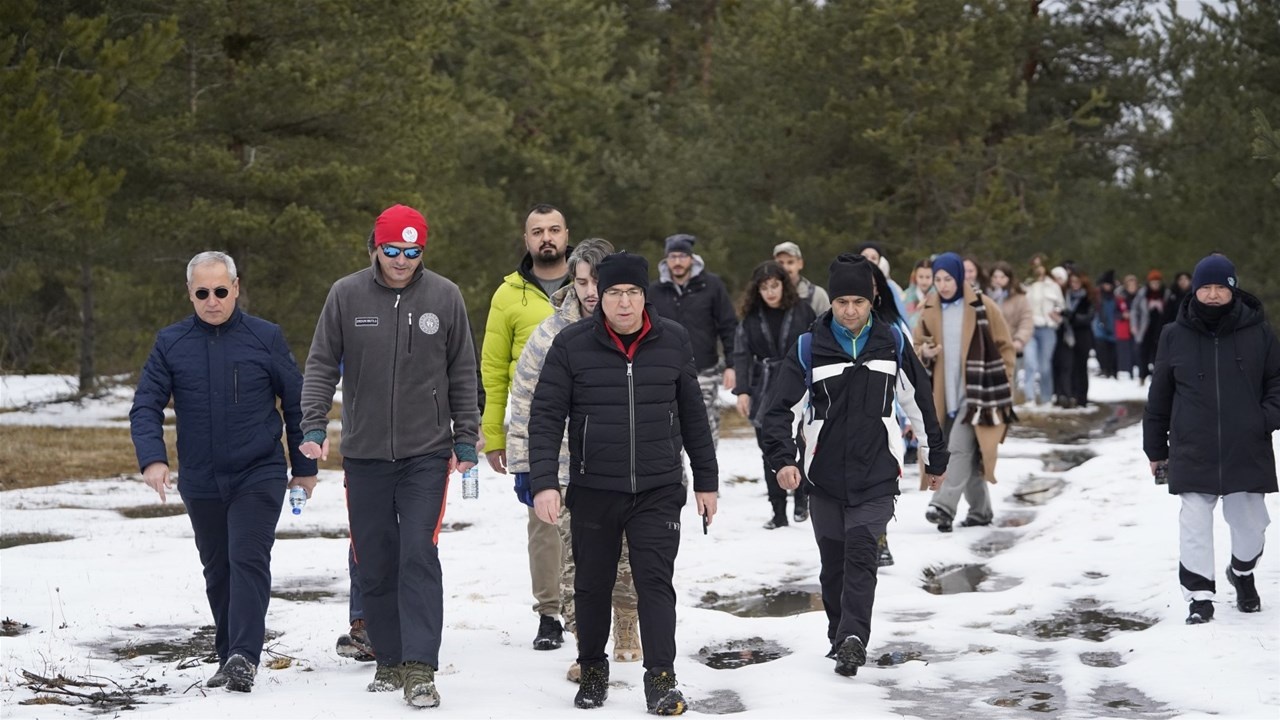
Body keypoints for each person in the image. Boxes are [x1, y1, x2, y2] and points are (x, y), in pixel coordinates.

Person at [298, 204, 479, 708]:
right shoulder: (346, 294)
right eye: (393, 250)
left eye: (413, 251)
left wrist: (466, 435)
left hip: (426, 453)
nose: (402, 261)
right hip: (365, 453)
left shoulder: (445, 296)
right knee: (374, 556)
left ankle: (421, 668)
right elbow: (319, 365)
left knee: (419, 553)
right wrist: (314, 423)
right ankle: (390, 660)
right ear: (374, 247)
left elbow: (463, 371)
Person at [529, 251, 719, 715]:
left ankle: (662, 679)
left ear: (644, 296)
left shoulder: (673, 340)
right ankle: (593, 669)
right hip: (594, 487)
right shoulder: (572, 345)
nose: (624, 302)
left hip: (658, 487)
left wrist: (706, 481)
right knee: (592, 585)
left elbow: (694, 414)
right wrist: (543, 483)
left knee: (655, 583)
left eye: (633, 292)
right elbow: (546, 416)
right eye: (614, 292)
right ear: (599, 296)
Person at [130, 251, 317, 693]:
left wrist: (304, 467)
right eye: (202, 293)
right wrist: (153, 458)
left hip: (259, 471)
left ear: (235, 288)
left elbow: (297, 403)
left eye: (220, 290)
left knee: (247, 559)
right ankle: (228, 652)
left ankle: (243, 657)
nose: (212, 300)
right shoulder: (171, 342)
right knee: (217, 569)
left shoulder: (265, 337)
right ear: (190, 294)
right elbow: (145, 406)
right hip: (200, 478)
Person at [759, 254, 948, 677]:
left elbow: (918, 402)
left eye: (858, 302)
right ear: (833, 303)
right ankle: (838, 633)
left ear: (872, 299)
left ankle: (853, 638)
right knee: (834, 564)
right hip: (824, 476)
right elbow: (779, 411)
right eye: (842, 301)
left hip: (876, 472)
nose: (849, 310)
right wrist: (783, 460)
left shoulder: (892, 342)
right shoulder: (810, 347)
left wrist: (935, 456)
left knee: (863, 554)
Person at [504, 238, 642, 683]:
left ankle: (626, 622)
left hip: (625, 470)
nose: (587, 290)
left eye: (596, 281)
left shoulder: (639, 330)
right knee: (575, 568)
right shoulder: (551, 334)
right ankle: (587, 649)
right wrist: (526, 466)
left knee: (627, 560)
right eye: (580, 280)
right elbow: (525, 401)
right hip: (566, 471)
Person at [1143, 254, 1279, 624]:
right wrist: (1156, 448)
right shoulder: (1174, 334)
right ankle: (1199, 597)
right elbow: (1160, 394)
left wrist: (1263, 418)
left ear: (1233, 289)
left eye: (1221, 287)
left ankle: (1243, 572)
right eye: (1207, 287)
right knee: (1194, 522)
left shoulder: (1259, 332)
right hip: (1192, 445)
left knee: (1251, 523)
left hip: (1246, 445)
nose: (1214, 295)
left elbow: (1276, 382)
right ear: (1195, 290)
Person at [480, 203, 573, 651]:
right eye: (537, 231)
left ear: (567, 234)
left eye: (554, 229)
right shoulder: (508, 295)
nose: (546, 238)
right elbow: (494, 369)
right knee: (545, 521)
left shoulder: (592, 284)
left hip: (593, 420)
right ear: (526, 239)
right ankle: (550, 613)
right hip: (536, 426)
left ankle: (596, 605)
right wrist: (495, 436)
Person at [914, 253, 1017, 532]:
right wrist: (925, 351)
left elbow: (1005, 346)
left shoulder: (983, 306)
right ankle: (981, 511)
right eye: (938, 279)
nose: (943, 285)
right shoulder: (930, 308)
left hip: (978, 394)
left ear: (959, 277)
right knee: (969, 456)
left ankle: (943, 506)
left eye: (948, 278)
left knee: (957, 448)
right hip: (942, 394)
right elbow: (916, 345)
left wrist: (1004, 379)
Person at [731, 260, 817, 529]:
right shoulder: (750, 318)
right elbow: (741, 356)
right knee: (770, 448)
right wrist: (743, 391)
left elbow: (817, 347)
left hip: (799, 384)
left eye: (774, 286)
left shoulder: (803, 311)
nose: (770, 292)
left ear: (783, 285)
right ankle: (778, 510)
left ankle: (802, 499)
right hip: (764, 386)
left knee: (802, 443)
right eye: (764, 287)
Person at [649, 234, 738, 449]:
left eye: (682, 256)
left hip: (704, 370)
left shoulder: (712, 285)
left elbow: (728, 325)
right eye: (672, 256)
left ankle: (707, 481)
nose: (677, 262)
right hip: (665, 373)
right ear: (666, 260)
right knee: (668, 435)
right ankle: (676, 483)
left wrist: (732, 365)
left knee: (705, 433)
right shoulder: (654, 290)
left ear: (691, 258)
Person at [987, 261, 1033, 402]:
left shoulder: (1019, 298)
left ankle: (1006, 409)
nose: (998, 281)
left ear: (1009, 278)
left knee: (1007, 379)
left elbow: (1026, 320)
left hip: (1009, 344)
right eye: (995, 277)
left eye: (1002, 277)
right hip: (988, 345)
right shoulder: (985, 296)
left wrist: (1020, 339)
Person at [1023, 257, 1065, 405]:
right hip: (1030, 328)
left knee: (1045, 365)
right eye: (1035, 265)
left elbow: (1061, 305)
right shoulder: (1027, 285)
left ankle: (1047, 397)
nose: (1038, 268)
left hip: (1047, 328)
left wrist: (1056, 313)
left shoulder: (1053, 286)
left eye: (1040, 265)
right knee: (1030, 363)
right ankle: (1029, 397)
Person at [1057, 271, 1095, 408]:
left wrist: (1071, 316)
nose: (1074, 285)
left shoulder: (1088, 298)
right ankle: (1069, 394)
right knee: (1068, 367)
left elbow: (1088, 318)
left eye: (1077, 282)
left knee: (1081, 367)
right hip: (1067, 335)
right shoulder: (1064, 297)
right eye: (1072, 282)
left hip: (1083, 336)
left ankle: (1082, 398)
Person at [773, 241, 831, 315]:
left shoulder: (817, 295)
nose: (785, 268)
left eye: (790, 262)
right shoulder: (767, 295)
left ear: (800, 264)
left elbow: (828, 324)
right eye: (780, 263)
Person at [1136, 270, 1173, 383]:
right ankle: (1142, 375)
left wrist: (1162, 309)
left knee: (1159, 353)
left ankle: (1157, 375)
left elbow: (1170, 311)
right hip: (1145, 328)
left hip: (1160, 328)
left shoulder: (1166, 294)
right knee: (1143, 353)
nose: (1155, 285)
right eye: (1153, 282)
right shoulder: (1143, 293)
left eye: (1157, 282)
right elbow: (1135, 309)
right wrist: (1135, 326)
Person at [1094, 271, 1120, 379]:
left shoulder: (1116, 298)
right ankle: (1104, 368)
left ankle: (1113, 370)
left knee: (1113, 351)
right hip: (1100, 328)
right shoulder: (1098, 297)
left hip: (1113, 326)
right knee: (1101, 349)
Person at [902, 259, 933, 330]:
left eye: (928, 277)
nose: (924, 281)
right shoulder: (906, 295)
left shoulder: (937, 296)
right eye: (921, 277)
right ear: (915, 276)